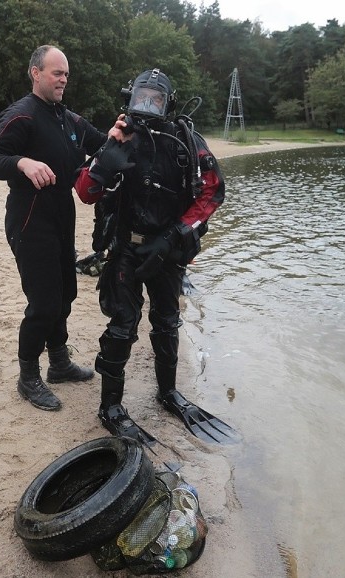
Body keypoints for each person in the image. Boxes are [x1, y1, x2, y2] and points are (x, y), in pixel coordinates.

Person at [73, 68, 231, 444]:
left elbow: (213, 191)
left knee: (167, 320)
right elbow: (85, 191)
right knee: (122, 326)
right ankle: (110, 407)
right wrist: (110, 152)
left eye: (154, 101)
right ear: (129, 99)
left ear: (169, 104)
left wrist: (177, 234)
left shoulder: (186, 142)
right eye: (140, 99)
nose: (146, 108)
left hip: (168, 249)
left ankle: (168, 392)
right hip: (126, 247)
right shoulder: (122, 139)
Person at [0, 44, 107, 411]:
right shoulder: (22, 115)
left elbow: (101, 143)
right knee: (44, 302)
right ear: (36, 73)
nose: (63, 79)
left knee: (66, 292)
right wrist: (22, 162)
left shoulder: (67, 119)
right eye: (57, 73)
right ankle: (28, 376)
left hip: (61, 217)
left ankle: (59, 363)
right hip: (29, 219)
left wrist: (123, 131)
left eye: (66, 74)